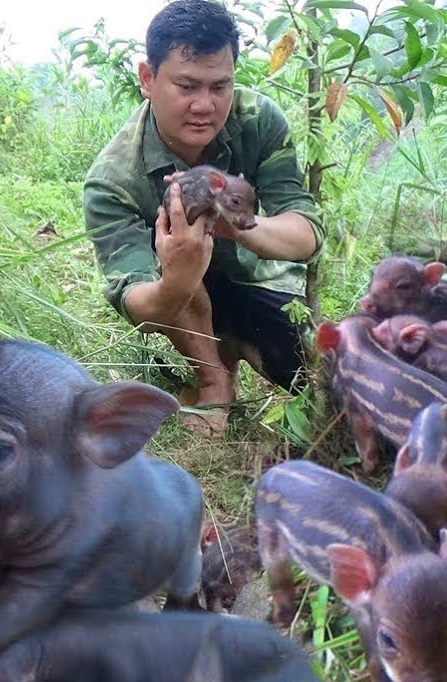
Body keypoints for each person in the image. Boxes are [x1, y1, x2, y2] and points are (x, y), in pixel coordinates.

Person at [82, 0, 324, 436]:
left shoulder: (258, 119)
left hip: (257, 280)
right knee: (174, 256)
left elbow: (305, 232)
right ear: (147, 79)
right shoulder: (112, 181)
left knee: (323, 385)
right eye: (187, 85)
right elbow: (135, 300)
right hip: (178, 294)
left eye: (220, 87)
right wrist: (177, 276)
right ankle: (213, 379)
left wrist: (237, 226)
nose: (205, 105)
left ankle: (238, 339)